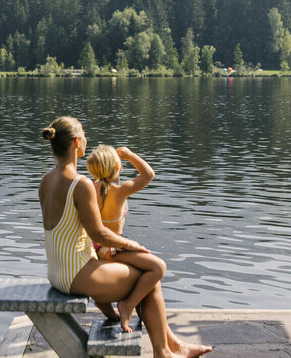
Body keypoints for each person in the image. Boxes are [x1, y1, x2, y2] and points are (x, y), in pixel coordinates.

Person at [39, 116, 211, 357]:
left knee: (145, 277)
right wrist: (131, 244)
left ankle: (173, 347)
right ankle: (163, 351)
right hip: (78, 276)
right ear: (77, 142)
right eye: (84, 134)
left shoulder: (46, 180)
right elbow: (98, 233)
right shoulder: (80, 184)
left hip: (56, 274)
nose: (86, 138)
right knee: (149, 278)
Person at [86, 144, 168, 328]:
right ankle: (127, 304)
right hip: (112, 248)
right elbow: (148, 174)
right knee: (157, 268)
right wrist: (129, 155)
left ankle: (104, 303)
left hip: (95, 247)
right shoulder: (120, 190)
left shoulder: (90, 187)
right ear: (118, 166)